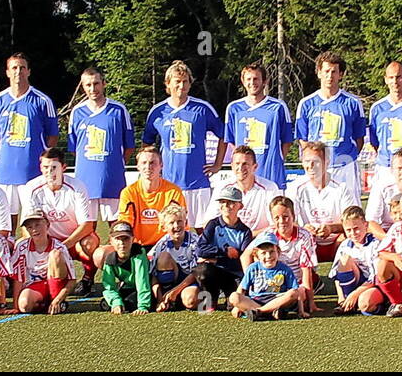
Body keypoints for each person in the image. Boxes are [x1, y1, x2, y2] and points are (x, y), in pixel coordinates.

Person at [143, 61, 226, 227]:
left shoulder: (202, 109)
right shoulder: (158, 112)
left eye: (185, 81)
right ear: (168, 84)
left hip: (198, 182)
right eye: (177, 81)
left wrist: (217, 164)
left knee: (204, 229)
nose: (182, 85)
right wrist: (152, 169)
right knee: (169, 229)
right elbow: (147, 144)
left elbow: (223, 136)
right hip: (168, 182)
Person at [0, 52, 59, 221]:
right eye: (14, 68)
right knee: (7, 218)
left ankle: (36, 248)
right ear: (7, 72)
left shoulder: (42, 100)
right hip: (7, 171)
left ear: (28, 71)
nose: (18, 71)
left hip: (34, 171)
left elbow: (52, 136)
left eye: (22, 68)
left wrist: (41, 156)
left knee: (34, 218)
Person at [21, 148, 99, 295]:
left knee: (89, 242)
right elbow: (26, 226)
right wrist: (39, 245)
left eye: (54, 167)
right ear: (40, 167)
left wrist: (61, 246)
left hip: (72, 241)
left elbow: (87, 225)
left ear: (64, 167)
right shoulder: (31, 188)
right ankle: (32, 279)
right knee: (21, 244)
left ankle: (88, 279)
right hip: (46, 241)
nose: (49, 171)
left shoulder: (77, 187)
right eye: (45, 167)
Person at [295, 51, 367, 203]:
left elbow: (359, 139)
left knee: (350, 210)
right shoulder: (306, 104)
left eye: (334, 71)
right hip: (317, 167)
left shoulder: (353, 103)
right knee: (317, 208)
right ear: (319, 73)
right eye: (326, 71)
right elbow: (303, 139)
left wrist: (345, 157)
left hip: (344, 165)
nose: (330, 76)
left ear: (340, 74)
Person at [68, 67, 135, 226]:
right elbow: (74, 149)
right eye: (88, 85)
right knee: (86, 230)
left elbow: (129, 146)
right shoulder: (77, 112)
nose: (93, 89)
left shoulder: (118, 110)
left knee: (118, 227)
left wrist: (115, 165)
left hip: (112, 179)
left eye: (96, 83)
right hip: (85, 181)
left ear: (104, 83)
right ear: (83, 87)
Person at [244, 197, 318, 316]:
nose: (281, 221)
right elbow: (245, 255)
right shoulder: (268, 234)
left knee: (298, 293)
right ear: (272, 218)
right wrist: (250, 281)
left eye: (285, 216)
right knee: (235, 298)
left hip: (294, 283)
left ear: (293, 215)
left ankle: (260, 311)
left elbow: (306, 269)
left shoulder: (304, 236)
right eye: (277, 218)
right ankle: (273, 309)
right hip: (268, 283)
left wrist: (311, 302)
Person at [286, 142, 358, 262]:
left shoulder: (342, 187)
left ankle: (345, 275)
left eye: (316, 161)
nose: (311, 165)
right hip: (307, 241)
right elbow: (285, 222)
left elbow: (353, 222)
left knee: (351, 238)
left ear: (326, 163)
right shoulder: (294, 187)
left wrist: (331, 228)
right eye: (307, 161)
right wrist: (303, 229)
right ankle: (305, 277)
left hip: (336, 241)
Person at [224, 62, 292, 187]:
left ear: (264, 81)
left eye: (256, 79)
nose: (252, 83)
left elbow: (286, 141)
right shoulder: (234, 108)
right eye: (248, 79)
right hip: (245, 178)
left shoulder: (278, 107)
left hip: (272, 175)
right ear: (243, 81)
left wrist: (277, 159)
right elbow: (231, 141)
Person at [194, 185, 254, 307]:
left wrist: (215, 259)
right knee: (202, 270)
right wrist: (224, 251)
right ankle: (210, 299)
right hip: (215, 271)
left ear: (240, 206)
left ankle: (228, 297)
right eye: (222, 202)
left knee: (234, 304)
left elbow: (241, 260)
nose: (226, 206)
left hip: (234, 274)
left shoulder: (245, 231)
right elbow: (200, 250)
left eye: (231, 202)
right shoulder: (213, 225)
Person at [115, 146, 186, 246]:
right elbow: (125, 223)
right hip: (136, 246)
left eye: (153, 162)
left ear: (161, 165)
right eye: (144, 163)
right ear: (138, 166)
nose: (148, 167)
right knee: (100, 254)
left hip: (166, 245)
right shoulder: (129, 192)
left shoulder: (173, 192)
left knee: (163, 260)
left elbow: (181, 225)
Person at [202, 146, 282, 233]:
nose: (240, 168)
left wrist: (248, 236)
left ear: (255, 167)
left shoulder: (270, 188)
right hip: (229, 239)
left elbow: (276, 224)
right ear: (232, 166)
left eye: (245, 164)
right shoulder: (222, 187)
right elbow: (208, 222)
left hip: (259, 240)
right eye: (237, 163)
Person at [10, 211, 76, 315]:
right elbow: (18, 278)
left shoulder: (59, 247)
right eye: (30, 227)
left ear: (47, 225)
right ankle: (44, 304)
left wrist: (58, 299)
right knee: (24, 305)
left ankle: (55, 301)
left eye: (37, 225)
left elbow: (72, 280)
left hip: (55, 284)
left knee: (55, 255)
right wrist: (15, 306)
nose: (34, 230)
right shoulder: (21, 247)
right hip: (34, 285)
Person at [231, 232, 305, 321]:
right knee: (234, 297)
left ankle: (260, 312)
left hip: (277, 299)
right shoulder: (253, 268)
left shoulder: (285, 269)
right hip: (256, 300)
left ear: (278, 251)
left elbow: (295, 291)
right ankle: (270, 313)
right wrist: (237, 306)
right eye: (263, 253)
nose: (268, 256)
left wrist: (301, 311)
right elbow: (242, 289)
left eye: (271, 252)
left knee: (294, 293)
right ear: (256, 254)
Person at [329, 206, 379, 315]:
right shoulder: (345, 245)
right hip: (356, 283)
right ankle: (347, 303)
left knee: (364, 304)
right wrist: (341, 298)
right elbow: (336, 276)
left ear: (365, 225)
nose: (353, 233)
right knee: (344, 260)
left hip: (374, 285)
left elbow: (376, 277)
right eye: (348, 230)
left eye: (356, 228)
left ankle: (380, 302)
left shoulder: (375, 244)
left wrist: (355, 294)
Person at [150, 204, 200, 312]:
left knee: (191, 301)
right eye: (171, 223)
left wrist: (176, 291)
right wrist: (159, 299)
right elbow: (152, 275)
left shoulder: (195, 242)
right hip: (172, 281)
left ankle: (176, 298)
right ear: (164, 227)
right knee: (164, 258)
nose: (176, 226)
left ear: (185, 223)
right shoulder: (162, 244)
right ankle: (167, 299)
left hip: (190, 280)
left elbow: (197, 272)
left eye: (179, 221)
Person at [100, 222, 156, 315]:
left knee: (132, 303)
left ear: (132, 239)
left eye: (126, 238)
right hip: (129, 287)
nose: (122, 243)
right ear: (111, 241)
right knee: (109, 302)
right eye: (118, 239)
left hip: (149, 286)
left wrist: (143, 306)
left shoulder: (139, 254)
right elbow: (108, 286)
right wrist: (116, 302)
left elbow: (142, 281)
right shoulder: (110, 260)